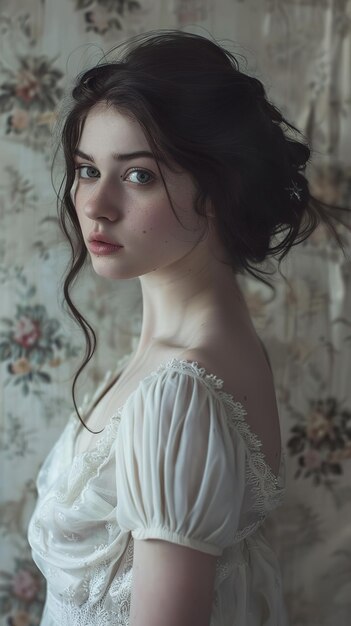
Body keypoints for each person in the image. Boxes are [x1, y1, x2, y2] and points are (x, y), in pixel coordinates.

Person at [27, 29, 349, 626]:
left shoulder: (181, 393)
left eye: (138, 175)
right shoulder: (184, 360)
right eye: (87, 169)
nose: (94, 204)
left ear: (217, 189)